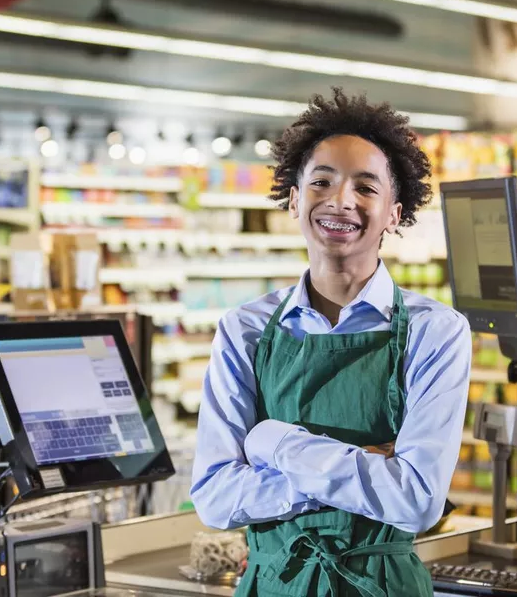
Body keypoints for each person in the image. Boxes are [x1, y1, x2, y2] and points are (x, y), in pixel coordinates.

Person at [190, 87, 471, 597]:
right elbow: (213, 497)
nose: (341, 199)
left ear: (394, 212)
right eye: (322, 181)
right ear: (296, 200)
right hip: (272, 584)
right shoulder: (245, 329)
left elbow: (417, 502)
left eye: (366, 188)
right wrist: (365, 467)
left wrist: (273, 443)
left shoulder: (436, 331)